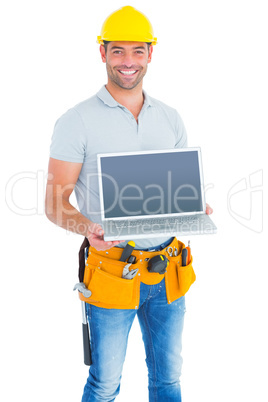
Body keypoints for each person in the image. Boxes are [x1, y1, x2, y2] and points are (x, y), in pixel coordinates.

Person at [45, 6, 213, 402]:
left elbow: (171, 187)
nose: (128, 61)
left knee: (168, 381)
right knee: (105, 384)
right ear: (101, 53)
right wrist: (89, 228)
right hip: (112, 268)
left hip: (168, 268)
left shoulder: (170, 118)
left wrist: (190, 205)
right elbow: (55, 202)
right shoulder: (77, 121)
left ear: (151, 54)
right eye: (117, 51)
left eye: (137, 51)